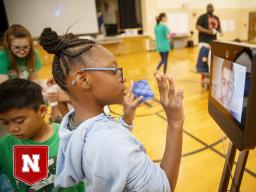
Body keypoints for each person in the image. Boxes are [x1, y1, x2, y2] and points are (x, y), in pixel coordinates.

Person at [39, 27, 184, 192]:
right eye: (113, 70)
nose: (122, 77)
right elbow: (164, 187)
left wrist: (126, 120)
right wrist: (175, 122)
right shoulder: (111, 142)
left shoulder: (72, 122)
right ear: (84, 79)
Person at [0, 79, 85, 192]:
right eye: (5, 123)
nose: (12, 129)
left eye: (19, 121)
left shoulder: (67, 137)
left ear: (42, 111)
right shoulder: (4, 147)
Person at [0, 24, 69, 122]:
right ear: (9, 45)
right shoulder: (2, 57)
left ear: (30, 45)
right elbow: (4, 88)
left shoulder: (34, 54)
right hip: (10, 94)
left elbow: (34, 79)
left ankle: (54, 119)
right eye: (17, 48)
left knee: (54, 88)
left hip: (26, 88)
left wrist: (43, 88)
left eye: (25, 47)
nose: (22, 51)